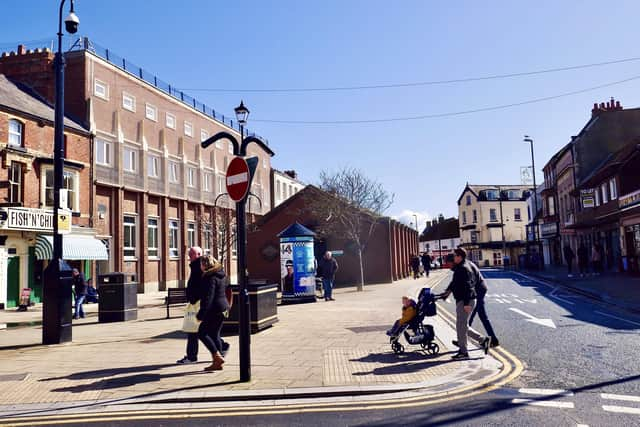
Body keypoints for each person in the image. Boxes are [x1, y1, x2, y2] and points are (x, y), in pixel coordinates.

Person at [439, 248, 476, 360]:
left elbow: (467, 287)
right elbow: (454, 283)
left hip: (466, 300)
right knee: (462, 325)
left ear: (459, 257)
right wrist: (446, 293)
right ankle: (477, 342)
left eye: (455, 256)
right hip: (464, 300)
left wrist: (466, 304)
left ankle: (463, 352)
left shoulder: (463, 269)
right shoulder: (460, 267)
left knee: (461, 326)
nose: (453, 258)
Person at [197, 254, 230, 372]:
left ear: (205, 265)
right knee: (215, 334)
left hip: (214, 309)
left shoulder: (209, 277)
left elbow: (208, 298)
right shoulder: (220, 274)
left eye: (201, 264)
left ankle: (217, 357)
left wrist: (201, 314)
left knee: (202, 333)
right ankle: (218, 361)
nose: (200, 266)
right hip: (223, 308)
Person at [467, 260, 499, 352]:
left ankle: (462, 340)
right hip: (480, 289)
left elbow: (470, 282)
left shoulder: (466, 266)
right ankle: (494, 339)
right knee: (481, 316)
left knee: (470, 315)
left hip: (479, 290)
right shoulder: (467, 264)